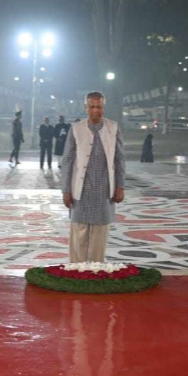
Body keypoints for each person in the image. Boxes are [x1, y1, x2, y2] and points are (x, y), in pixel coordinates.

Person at [61, 91, 125, 263]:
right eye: (92, 107)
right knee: (79, 232)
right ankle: (76, 270)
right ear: (85, 108)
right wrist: (66, 190)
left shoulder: (113, 128)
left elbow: (119, 160)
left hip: (104, 189)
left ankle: (97, 270)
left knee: (100, 235)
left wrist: (120, 186)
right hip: (80, 189)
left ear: (104, 107)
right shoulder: (76, 129)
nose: (95, 110)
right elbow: (67, 160)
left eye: (99, 107)